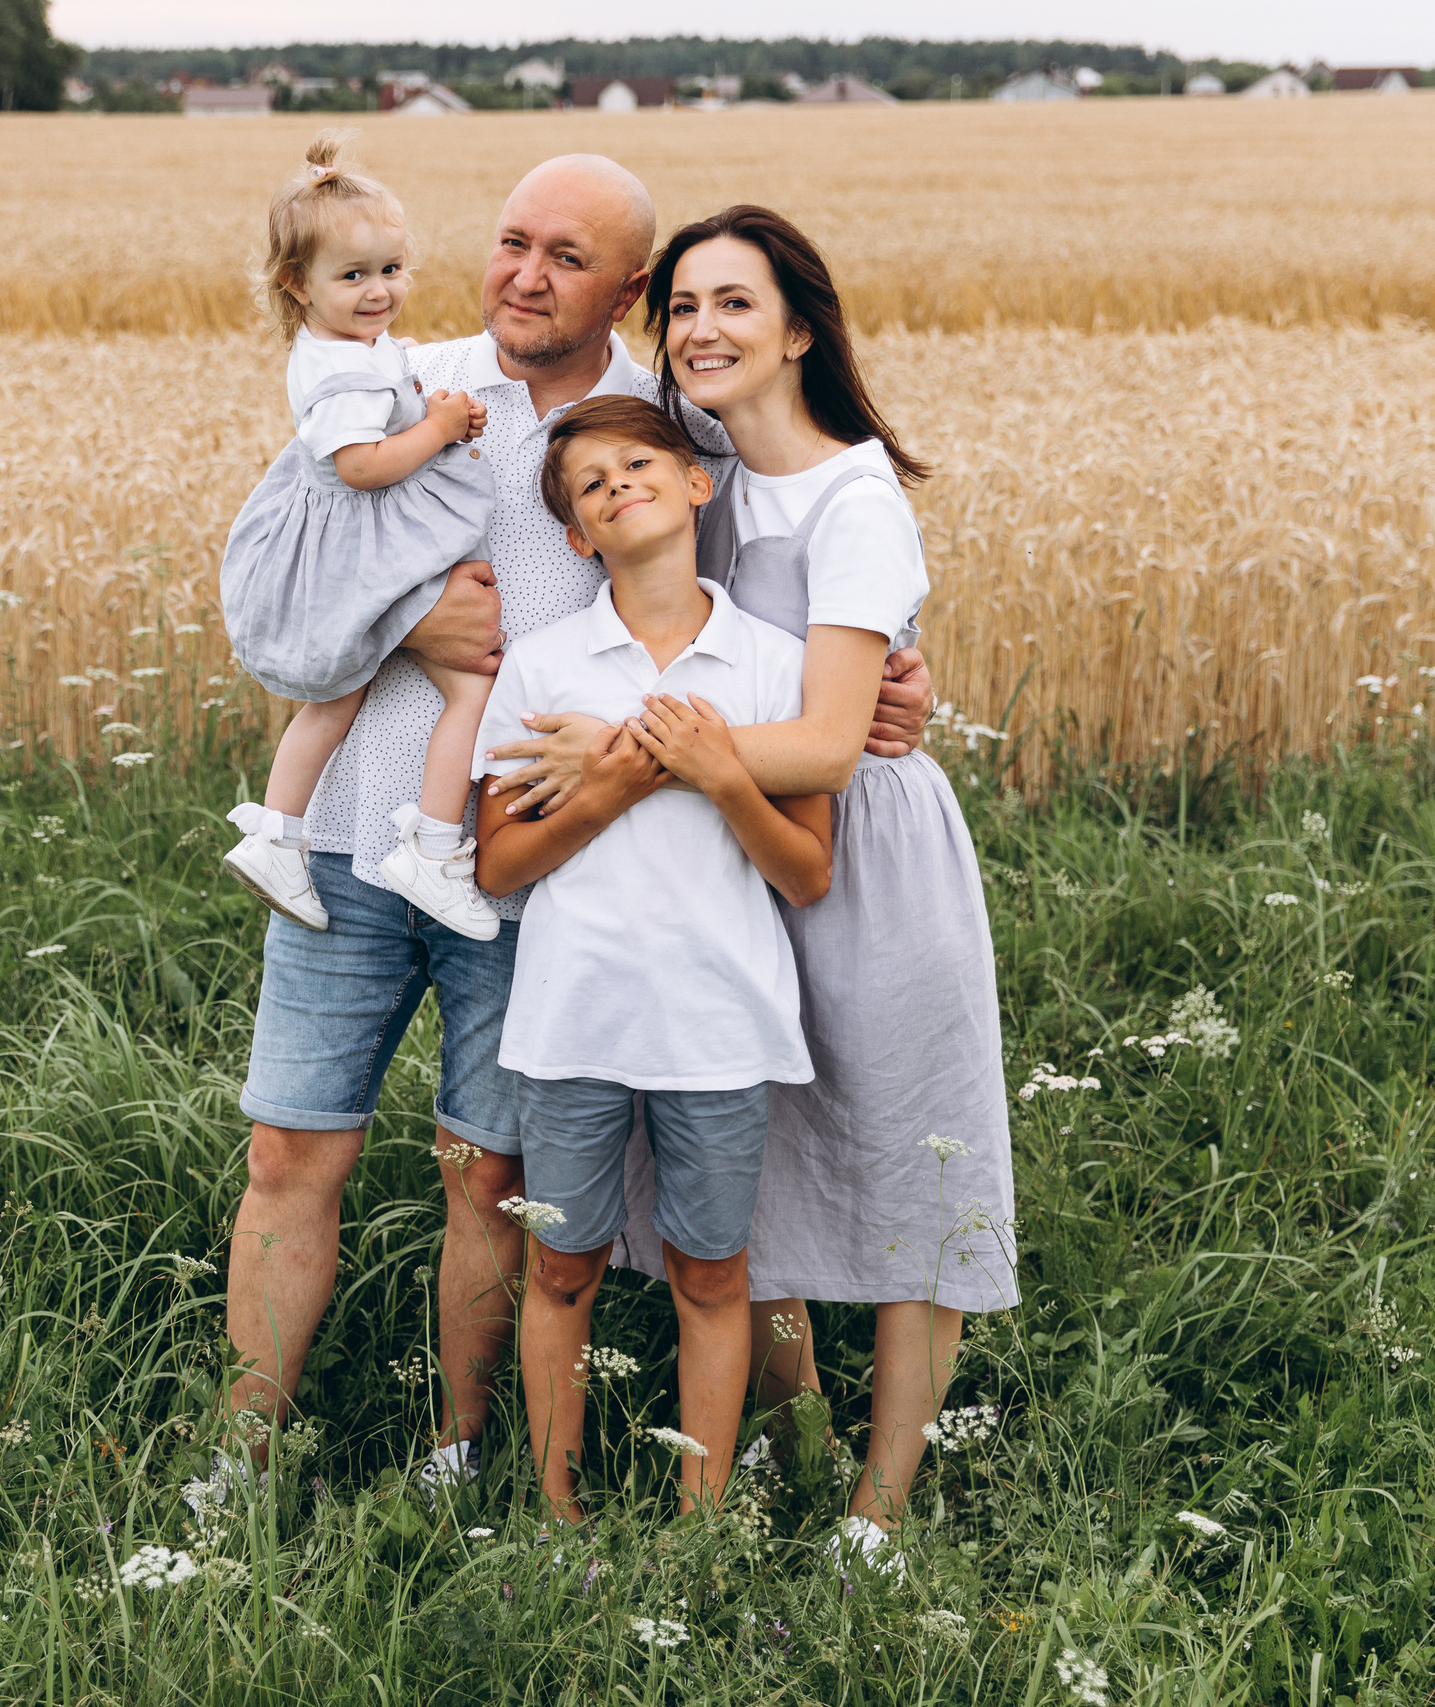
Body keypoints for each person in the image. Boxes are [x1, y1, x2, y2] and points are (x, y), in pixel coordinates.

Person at [214, 150, 935, 1507]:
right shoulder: (392, 384)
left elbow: (784, 610)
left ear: (626, 291)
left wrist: (898, 677)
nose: (522, 277)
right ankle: (238, 1456)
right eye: (509, 241)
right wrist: (400, 621)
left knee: (488, 1177)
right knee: (289, 1152)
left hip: (538, 871)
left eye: (564, 258)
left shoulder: (672, 434)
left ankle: (459, 1448)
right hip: (357, 846)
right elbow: (262, 603)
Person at [494, 205, 1016, 1569]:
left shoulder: (854, 497)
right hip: (722, 865)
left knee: (904, 1160)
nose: (703, 331)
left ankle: (876, 1509)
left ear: (800, 329)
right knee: (760, 1166)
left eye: (736, 304)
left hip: (865, 857)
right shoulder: (695, 465)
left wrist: (614, 756)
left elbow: (835, 740)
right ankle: (791, 1435)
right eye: (682, 309)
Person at [474, 395, 830, 1518]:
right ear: (578, 538)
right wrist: (622, 780)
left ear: (695, 485)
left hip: (720, 1020)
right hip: (573, 1016)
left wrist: (722, 773)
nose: (619, 482)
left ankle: (701, 1519)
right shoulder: (543, 665)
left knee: (712, 1274)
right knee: (561, 1267)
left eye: (642, 461)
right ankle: (556, 1508)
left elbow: (806, 872)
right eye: (590, 484)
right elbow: (498, 866)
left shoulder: (774, 668)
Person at [219, 131, 501, 941]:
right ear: (295, 284)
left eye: (390, 269)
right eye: (353, 276)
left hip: (353, 542)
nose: (380, 292)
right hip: (363, 543)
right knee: (468, 687)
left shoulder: (347, 347)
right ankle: (436, 846)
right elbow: (362, 467)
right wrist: (441, 424)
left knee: (334, 697)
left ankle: (277, 836)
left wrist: (439, 418)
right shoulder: (340, 371)